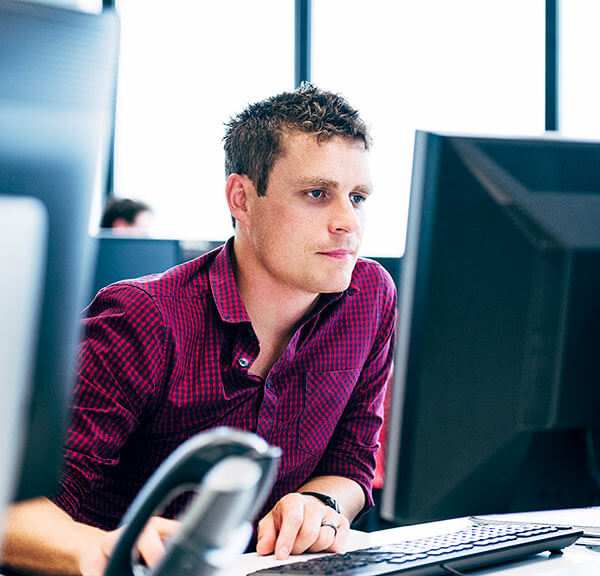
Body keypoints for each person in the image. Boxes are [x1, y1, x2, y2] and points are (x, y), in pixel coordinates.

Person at [0, 84, 396, 576]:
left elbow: (352, 460)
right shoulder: (143, 319)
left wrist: (320, 503)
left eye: (357, 197)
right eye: (317, 194)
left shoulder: (368, 297)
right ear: (242, 199)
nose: (347, 222)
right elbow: (11, 510)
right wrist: (103, 549)